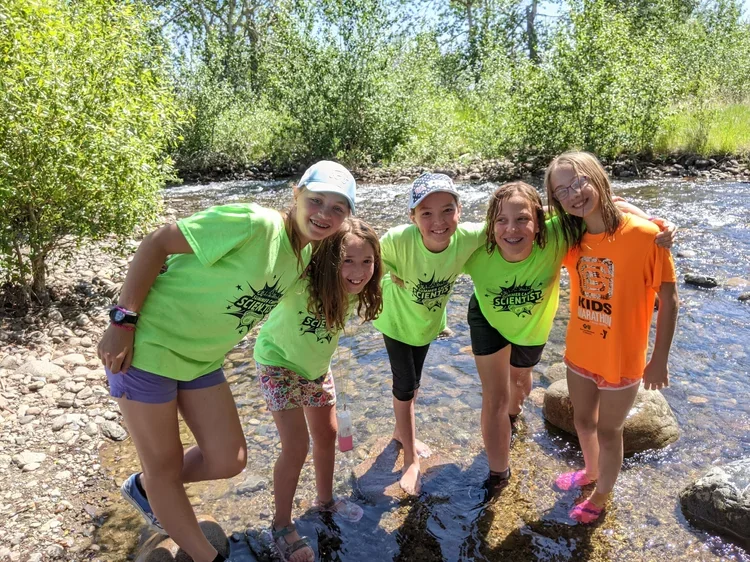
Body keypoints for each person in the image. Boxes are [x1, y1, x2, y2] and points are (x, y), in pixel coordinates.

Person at [96, 161, 356, 562]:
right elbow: (157, 242)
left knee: (228, 459)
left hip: (201, 361)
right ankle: (207, 554)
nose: (324, 213)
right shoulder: (254, 223)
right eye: (316, 200)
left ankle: (149, 488)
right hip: (148, 351)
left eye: (338, 208)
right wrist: (123, 319)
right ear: (296, 194)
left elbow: (343, 284)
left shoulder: (304, 256)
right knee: (163, 467)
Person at [464, 181, 676, 498]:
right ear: (490, 225)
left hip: (532, 326)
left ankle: (515, 412)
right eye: (502, 221)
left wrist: (652, 221)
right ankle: (499, 474)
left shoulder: (560, 235)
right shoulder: (475, 242)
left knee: (520, 383)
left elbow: (603, 205)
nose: (512, 229)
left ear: (539, 224)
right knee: (497, 398)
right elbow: (430, 246)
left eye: (523, 219)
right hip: (492, 318)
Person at [545, 151, 679, 524]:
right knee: (583, 421)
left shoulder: (647, 236)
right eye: (561, 191)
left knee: (609, 430)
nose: (573, 194)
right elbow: (525, 224)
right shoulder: (570, 238)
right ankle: (590, 472)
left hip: (622, 359)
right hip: (581, 352)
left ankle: (602, 494)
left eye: (579, 182)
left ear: (598, 177)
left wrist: (659, 359)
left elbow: (669, 300)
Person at [254, 218, 383, 562]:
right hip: (277, 364)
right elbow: (283, 246)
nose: (358, 271)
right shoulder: (300, 281)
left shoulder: (357, 290)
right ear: (327, 262)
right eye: (348, 262)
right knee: (296, 446)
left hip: (315, 370)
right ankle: (281, 525)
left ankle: (324, 500)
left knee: (327, 434)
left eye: (367, 261)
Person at [372, 173, 486, 495]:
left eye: (447, 210)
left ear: (460, 211)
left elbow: (516, 225)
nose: (439, 221)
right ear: (412, 217)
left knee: (416, 381)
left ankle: (399, 431)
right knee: (405, 385)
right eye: (426, 213)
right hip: (394, 320)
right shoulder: (397, 240)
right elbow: (362, 260)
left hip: (426, 324)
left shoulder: (467, 238)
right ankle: (410, 460)